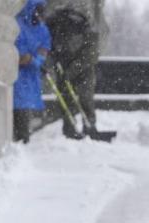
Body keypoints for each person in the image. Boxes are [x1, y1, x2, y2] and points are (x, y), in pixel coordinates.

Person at [45, 6, 100, 139]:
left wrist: (71, 70)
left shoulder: (85, 27)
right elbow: (48, 46)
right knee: (65, 98)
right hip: (63, 67)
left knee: (85, 98)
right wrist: (52, 62)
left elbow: (90, 55)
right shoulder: (56, 24)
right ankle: (69, 129)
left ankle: (90, 127)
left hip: (82, 70)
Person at [13, 0, 51, 143]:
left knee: (26, 109)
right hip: (17, 78)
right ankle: (21, 139)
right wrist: (27, 58)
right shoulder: (17, 25)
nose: (39, 14)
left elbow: (43, 52)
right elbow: (18, 54)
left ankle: (23, 139)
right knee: (19, 109)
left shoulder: (43, 30)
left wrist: (33, 60)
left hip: (32, 79)